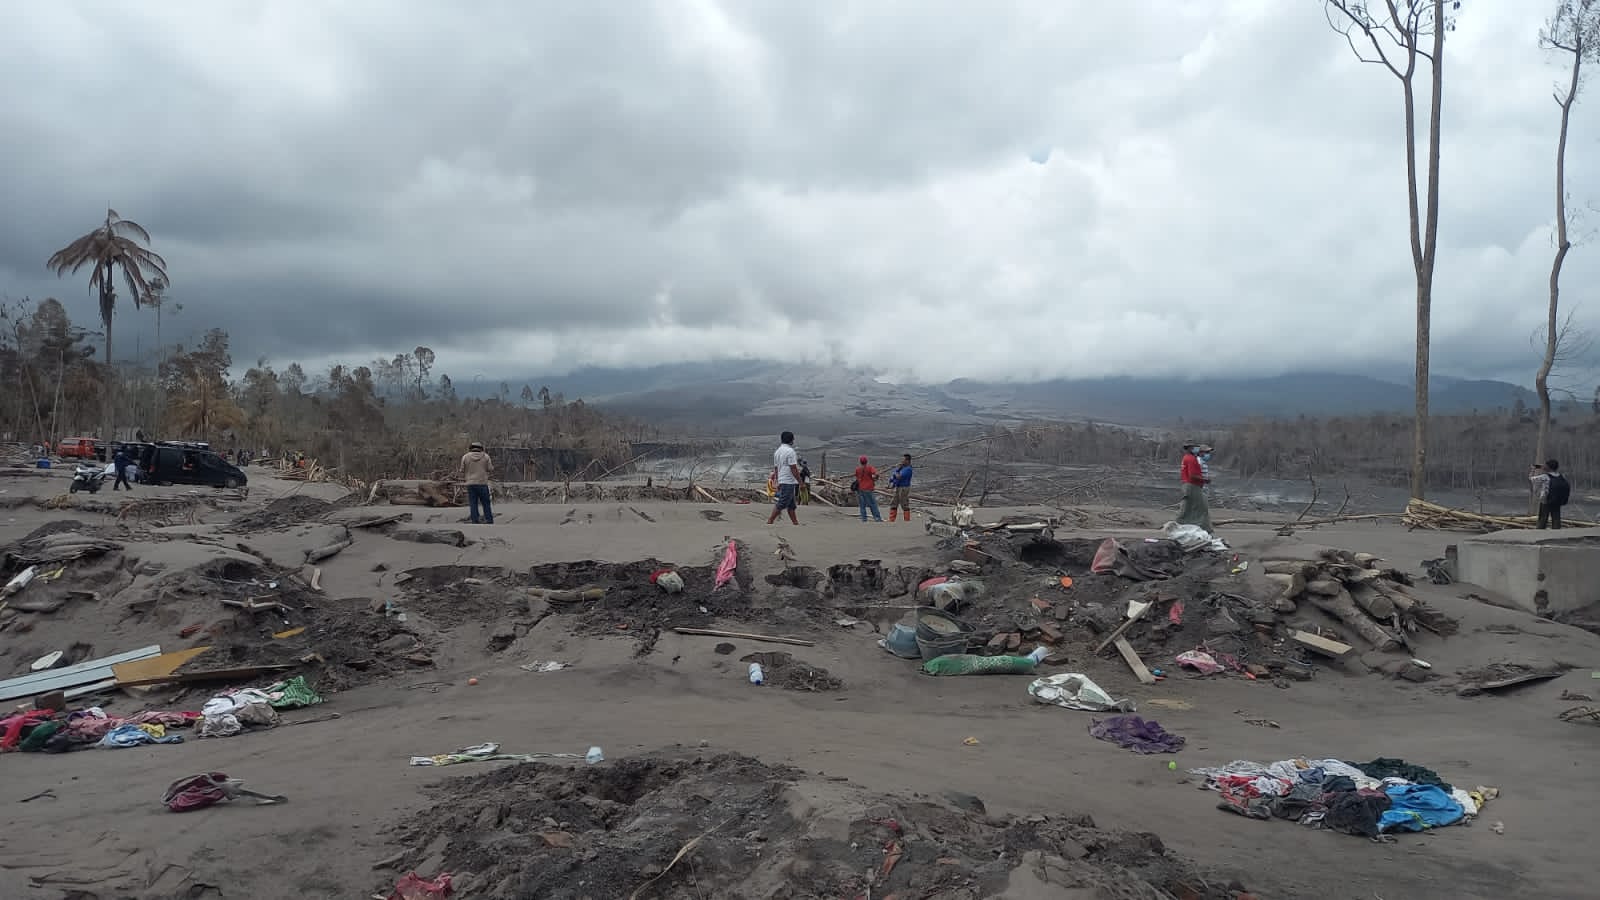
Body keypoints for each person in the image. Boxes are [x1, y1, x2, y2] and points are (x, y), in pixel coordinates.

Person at [766, 431, 802, 525]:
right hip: (788, 481)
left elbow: (776, 468)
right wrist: (801, 483)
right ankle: (770, 520)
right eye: (793, 439)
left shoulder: (777, 452)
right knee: (783, 502)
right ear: (791, 440)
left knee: (791, 504)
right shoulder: (790, 451)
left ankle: (795, 522)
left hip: (783, 480)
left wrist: (778, 480)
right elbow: (793, 468)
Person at [1176, 443, 1213, 533]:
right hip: (1193, 486)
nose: (1208, 454)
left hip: (1193, 485)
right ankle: (1205, 529)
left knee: (1189, 508)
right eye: (1206, 452)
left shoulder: (1188, 458)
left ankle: (1186, 527)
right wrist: (1205, 480)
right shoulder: (1193, 459)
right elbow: (1192, 475)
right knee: (1201, 508)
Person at [460, 441, 495, 524]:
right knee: (486, 503)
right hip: (482, 483)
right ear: (481, 448)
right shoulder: (486, 457)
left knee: (473, 503)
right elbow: (490, 469)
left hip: (470, 483)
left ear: (470, 448)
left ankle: (475, 520)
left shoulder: (465, 457)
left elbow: (462, 470)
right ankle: (489, 519)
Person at [1531, 459, 1570, 530]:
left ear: (1548, 467)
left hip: (1546, 500)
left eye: (1545, 465)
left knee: (1543, 518)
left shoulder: (1545, 476)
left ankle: (1540, 532)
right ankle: (1556, 532)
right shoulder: (1561, 476)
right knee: (1556, 518)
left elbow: (1531, 478)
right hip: (1557, 500)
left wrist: (1533, 469)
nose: (1544, 466)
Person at [854, 455, 883, 522]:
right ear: (866, 461)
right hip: (868, 488)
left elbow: (857, 477)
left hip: (860, 488)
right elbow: (876, 474)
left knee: (862, 505)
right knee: (873, 504)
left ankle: (864, 519)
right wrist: (875, 478)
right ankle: (877, 518)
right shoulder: (870, 468)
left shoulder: (857, 469)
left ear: (860, 462)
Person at [888, 454, 914, 522]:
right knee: (894, 502)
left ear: (907, 461)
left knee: (904, 503)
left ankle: (906, 520)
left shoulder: (908, 469)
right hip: (898, 487)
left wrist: (896, 472)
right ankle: (891, 519)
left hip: (904, 488)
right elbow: (894, 476)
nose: (902, 461)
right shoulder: (902, 468)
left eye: (903, 460)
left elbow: (899, 476)